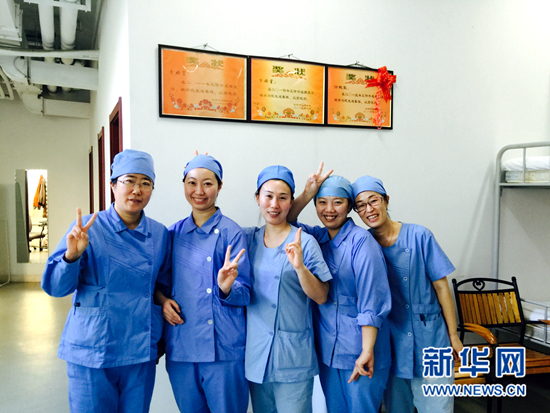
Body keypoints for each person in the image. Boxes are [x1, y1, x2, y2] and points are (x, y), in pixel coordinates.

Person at [42, 149, 171, 413]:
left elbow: (162, 283)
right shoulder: (88, 228)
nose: (137, 190)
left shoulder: (160, 234)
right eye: (129, 181)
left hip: (139, 348)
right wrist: (71, 256)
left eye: (145, 183)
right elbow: (56, 287)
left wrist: (163, 302)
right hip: (92, 347)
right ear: (113, 185)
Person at [351, 175, 463, 413]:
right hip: (391, 340)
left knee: (438, 407)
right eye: (361, 205)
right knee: (396, 407)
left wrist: (453, 335)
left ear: (386, 200)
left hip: (431, 338)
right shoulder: (364, 244)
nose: (369, 209)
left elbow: (442, 287)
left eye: (373, 201)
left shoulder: (420, 236)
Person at [288, 168, 392, 413]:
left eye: (338, 202)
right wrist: (307, 193)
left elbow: (372, 301)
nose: (329, 209)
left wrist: (366, 350)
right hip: (329, 351)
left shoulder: (362, 242)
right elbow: (286, 221)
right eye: (322, 202)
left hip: (361, 351)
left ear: (349, 206)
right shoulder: (316, 238)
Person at [154, 154, 251, 413]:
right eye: (192, 183)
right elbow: (158, 284)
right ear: (184, 185)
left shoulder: (232, 233)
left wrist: (226, 287)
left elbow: (246, 293)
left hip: (224, 348)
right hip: (182, 344)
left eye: (207, 183)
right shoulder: (172, 234)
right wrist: (163, 302)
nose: (199, 191)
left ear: (219, 186)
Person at [244, 165, 332, 413]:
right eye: (268, 196)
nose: (274, 204)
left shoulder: (305, 242)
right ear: (257, 198)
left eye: (282, 198)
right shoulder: (247, 239)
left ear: (291, 202)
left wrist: (300, 268)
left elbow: (322, 296)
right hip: (258, 356)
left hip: (293, 358)